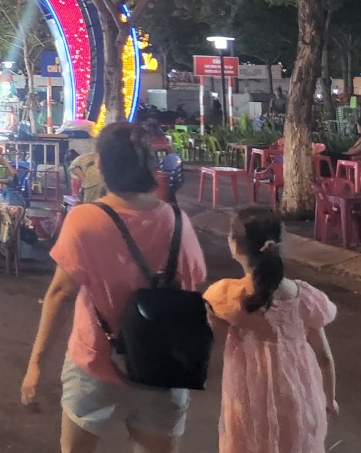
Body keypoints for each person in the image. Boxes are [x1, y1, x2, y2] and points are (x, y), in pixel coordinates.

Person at [21, 122, 207, 453]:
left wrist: (35, 365)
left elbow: (60, 295)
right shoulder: (177, 221)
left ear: (101, 164)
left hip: (96, 364)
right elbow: (194, 282)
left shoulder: (85, 219)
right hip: (163, 368)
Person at [204, 207, 337, 453]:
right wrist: (329, 399)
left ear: (236, 246)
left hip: (249, 402)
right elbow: (324, 358)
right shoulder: (305, 297)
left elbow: (209, 343)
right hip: (298, 399)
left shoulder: (229, 296)